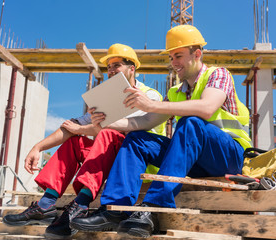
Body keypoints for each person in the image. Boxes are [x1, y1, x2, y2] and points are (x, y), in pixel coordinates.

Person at [70, 25, 252, 238]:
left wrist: (152, 105)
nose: (174, 63)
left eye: (178, 56)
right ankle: (115, 210)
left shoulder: (218, 75)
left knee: (190, 121)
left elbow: (207, 107)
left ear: (197, 54)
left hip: (228, 157)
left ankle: (153, 207)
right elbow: (145, 121)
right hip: (195, 162)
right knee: (137, 139)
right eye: (171, 57)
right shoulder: (175, 92)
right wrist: (105, 124)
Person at [2, 43, 165, 239]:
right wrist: (39, 147)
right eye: (109, 67)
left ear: (132, 68)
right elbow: (72, 126)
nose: (111, 70)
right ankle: (45, 204)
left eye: (117, 65)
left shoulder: (149, 95)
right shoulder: (108, 99)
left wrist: (84, 128)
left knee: (108, 133)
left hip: (136, 163)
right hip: (109, 158)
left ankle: (81, 203)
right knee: (76, 142)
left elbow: (127, 127)